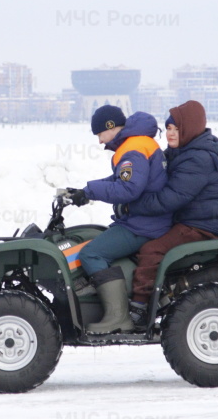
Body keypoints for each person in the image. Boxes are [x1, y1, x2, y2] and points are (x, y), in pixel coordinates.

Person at [124, 100, 218, 327]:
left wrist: (130, 205)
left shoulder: (197, 159)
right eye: (169, 128)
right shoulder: (180, 152)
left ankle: (140, 307)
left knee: (151, 249)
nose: (171, 134)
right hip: (188, 220)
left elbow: (170, 198)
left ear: (189, 128)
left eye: (177, 129)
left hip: (202, 226)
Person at [66, 105, 172, 334]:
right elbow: (120, 180)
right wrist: (86, 191)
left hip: (144, 224)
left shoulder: (131, 150)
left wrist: (91, 192)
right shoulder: (138, 144)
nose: (99, 141)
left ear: (110, 126)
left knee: (90, 253)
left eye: (99, 134)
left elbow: (128, 189)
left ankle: (118, 318)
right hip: (147, 219)